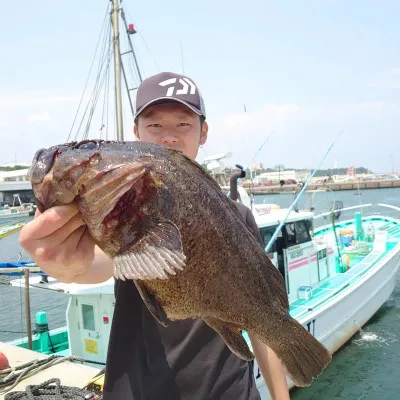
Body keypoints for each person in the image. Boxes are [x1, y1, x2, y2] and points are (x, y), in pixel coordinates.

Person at [19, 72, 290, 400]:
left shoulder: (239, 217)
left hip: (228, 390)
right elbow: (103, 263)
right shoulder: (117, 207)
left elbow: (263, 316)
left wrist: (280, 396)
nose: (169, 137)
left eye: (183, 124)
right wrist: (69, 267)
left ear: (204, 133)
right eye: (155, 125)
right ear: (136, 134)